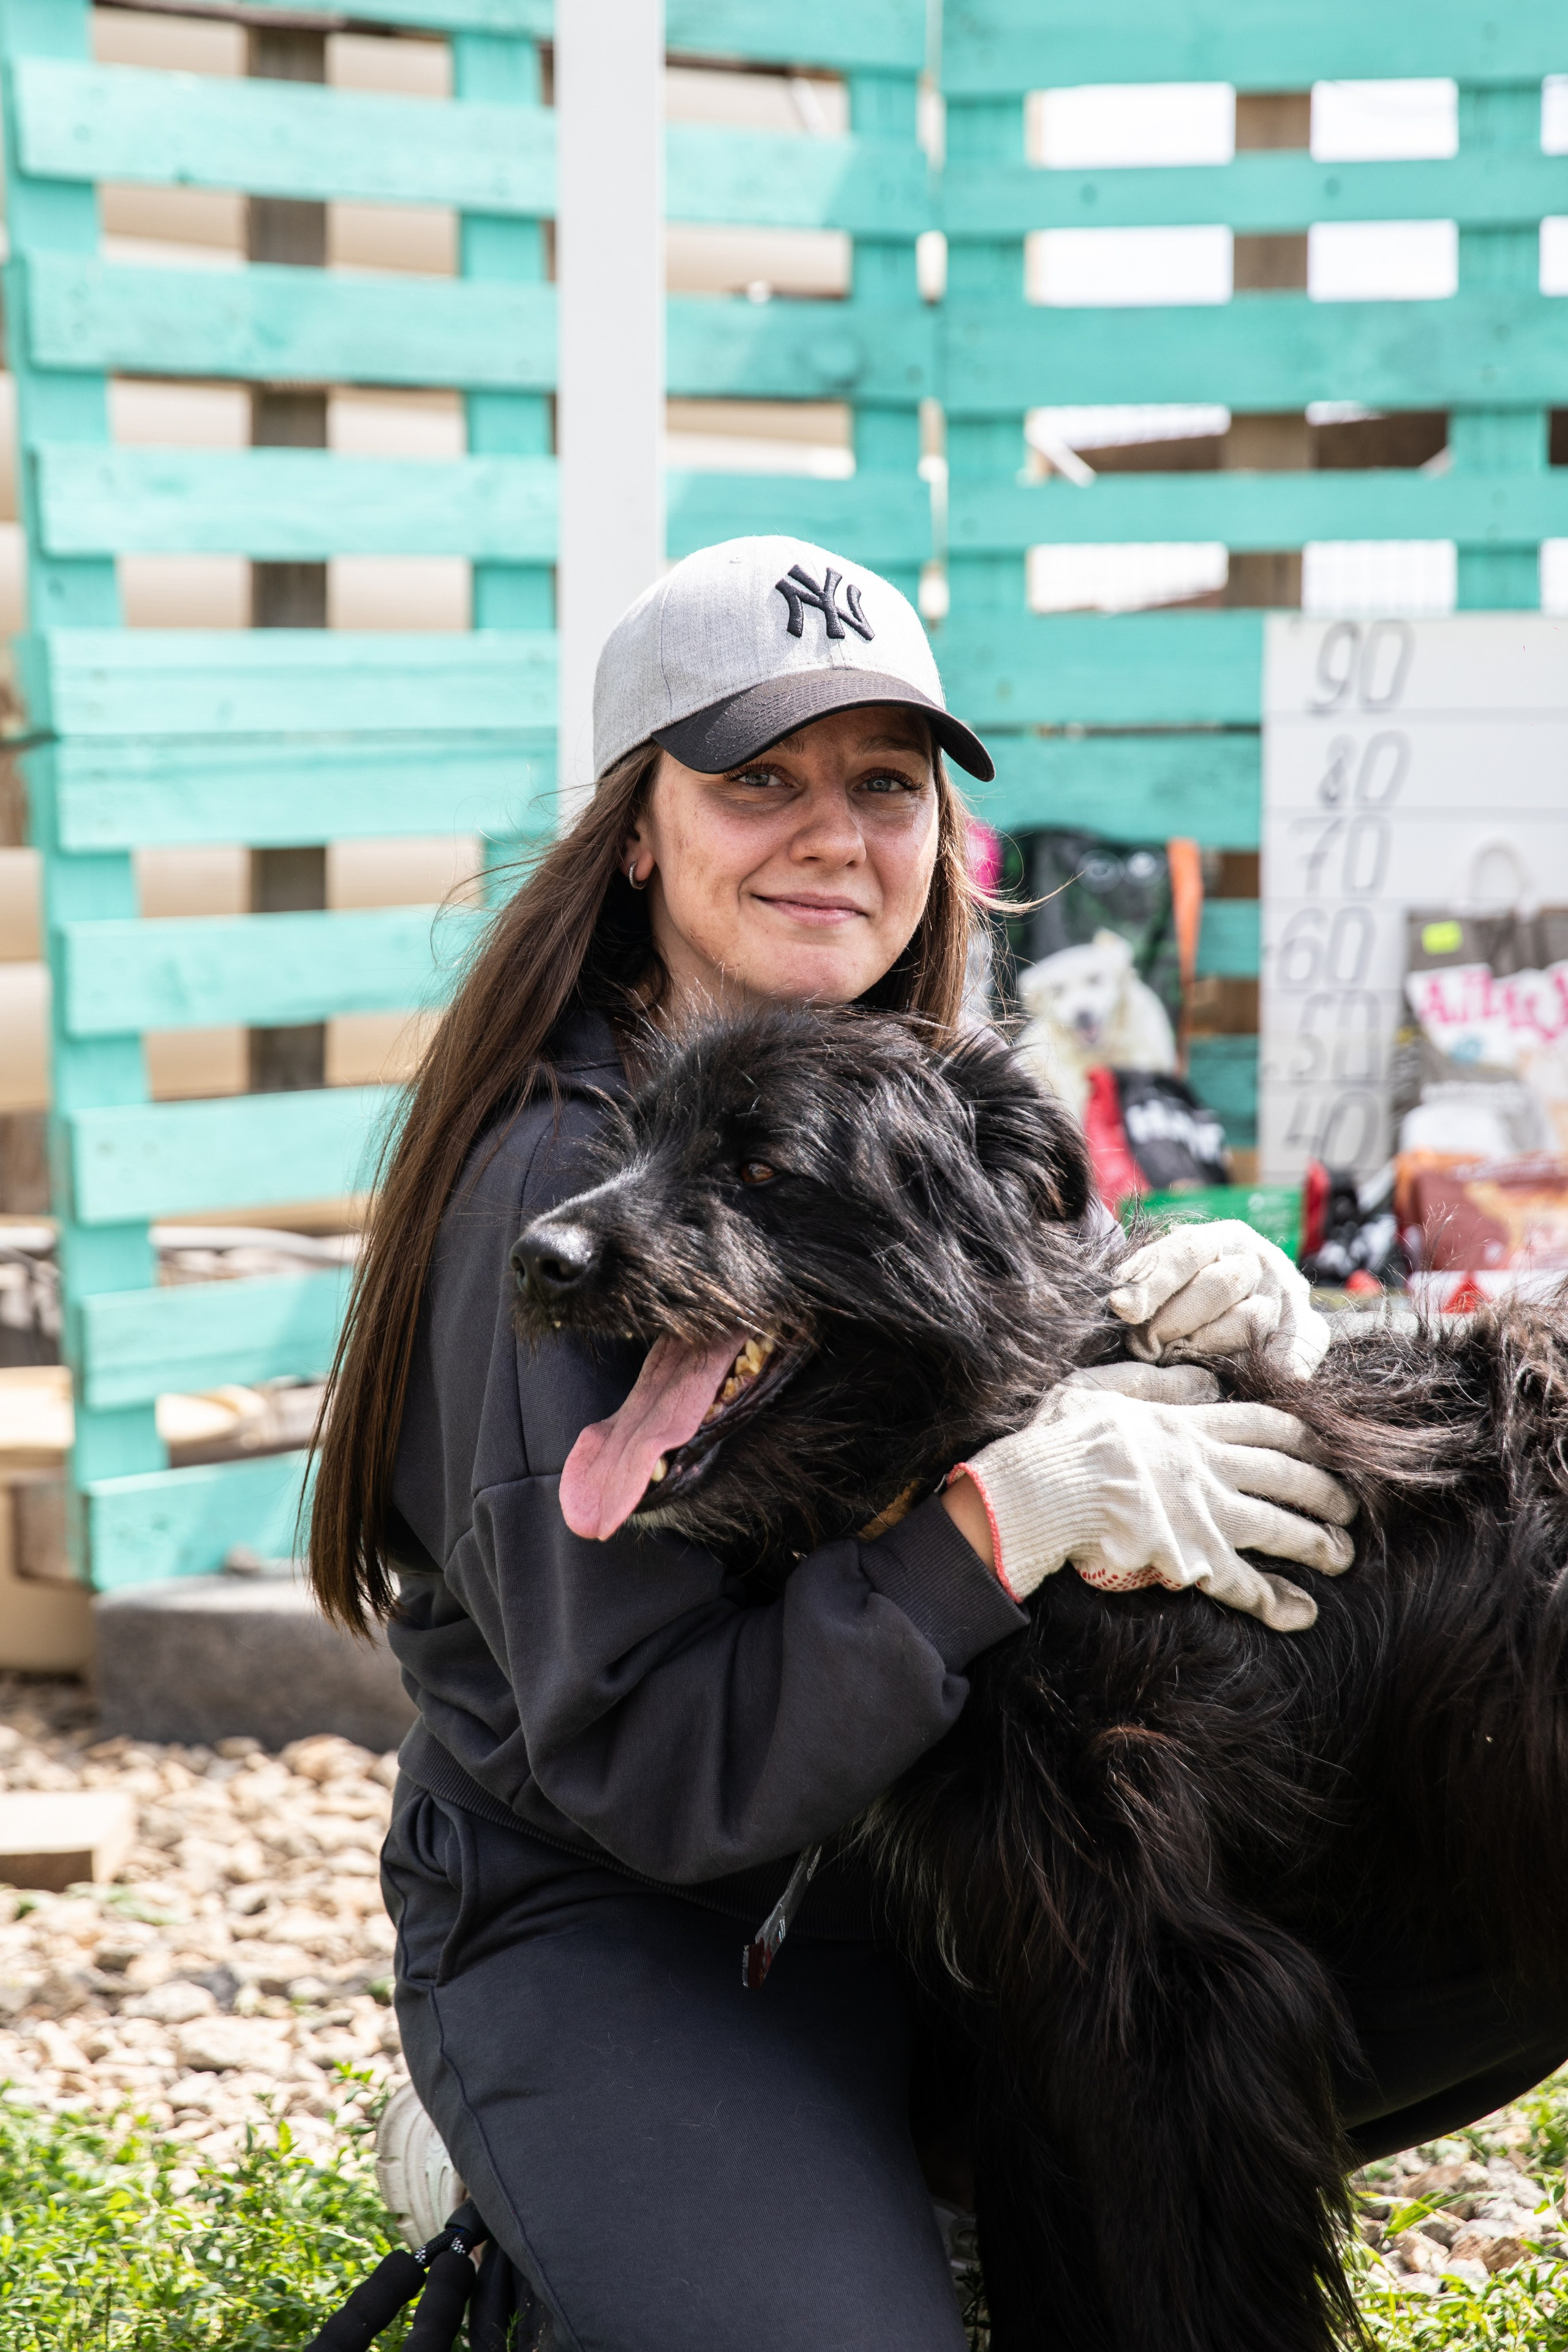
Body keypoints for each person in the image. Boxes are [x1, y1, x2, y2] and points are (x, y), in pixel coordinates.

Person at [307, 540, 1399, 2350]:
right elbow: (654, 1777)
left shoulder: (912, 1092)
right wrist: (1003, 1517)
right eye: (760, 780)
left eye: (882, 784)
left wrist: (1235, 1314)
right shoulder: (569, 1194)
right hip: (641, 1924)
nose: (833, 833)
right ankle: (535, 2159)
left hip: (928, 1885)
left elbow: (1002, 1335)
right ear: (638, 830)